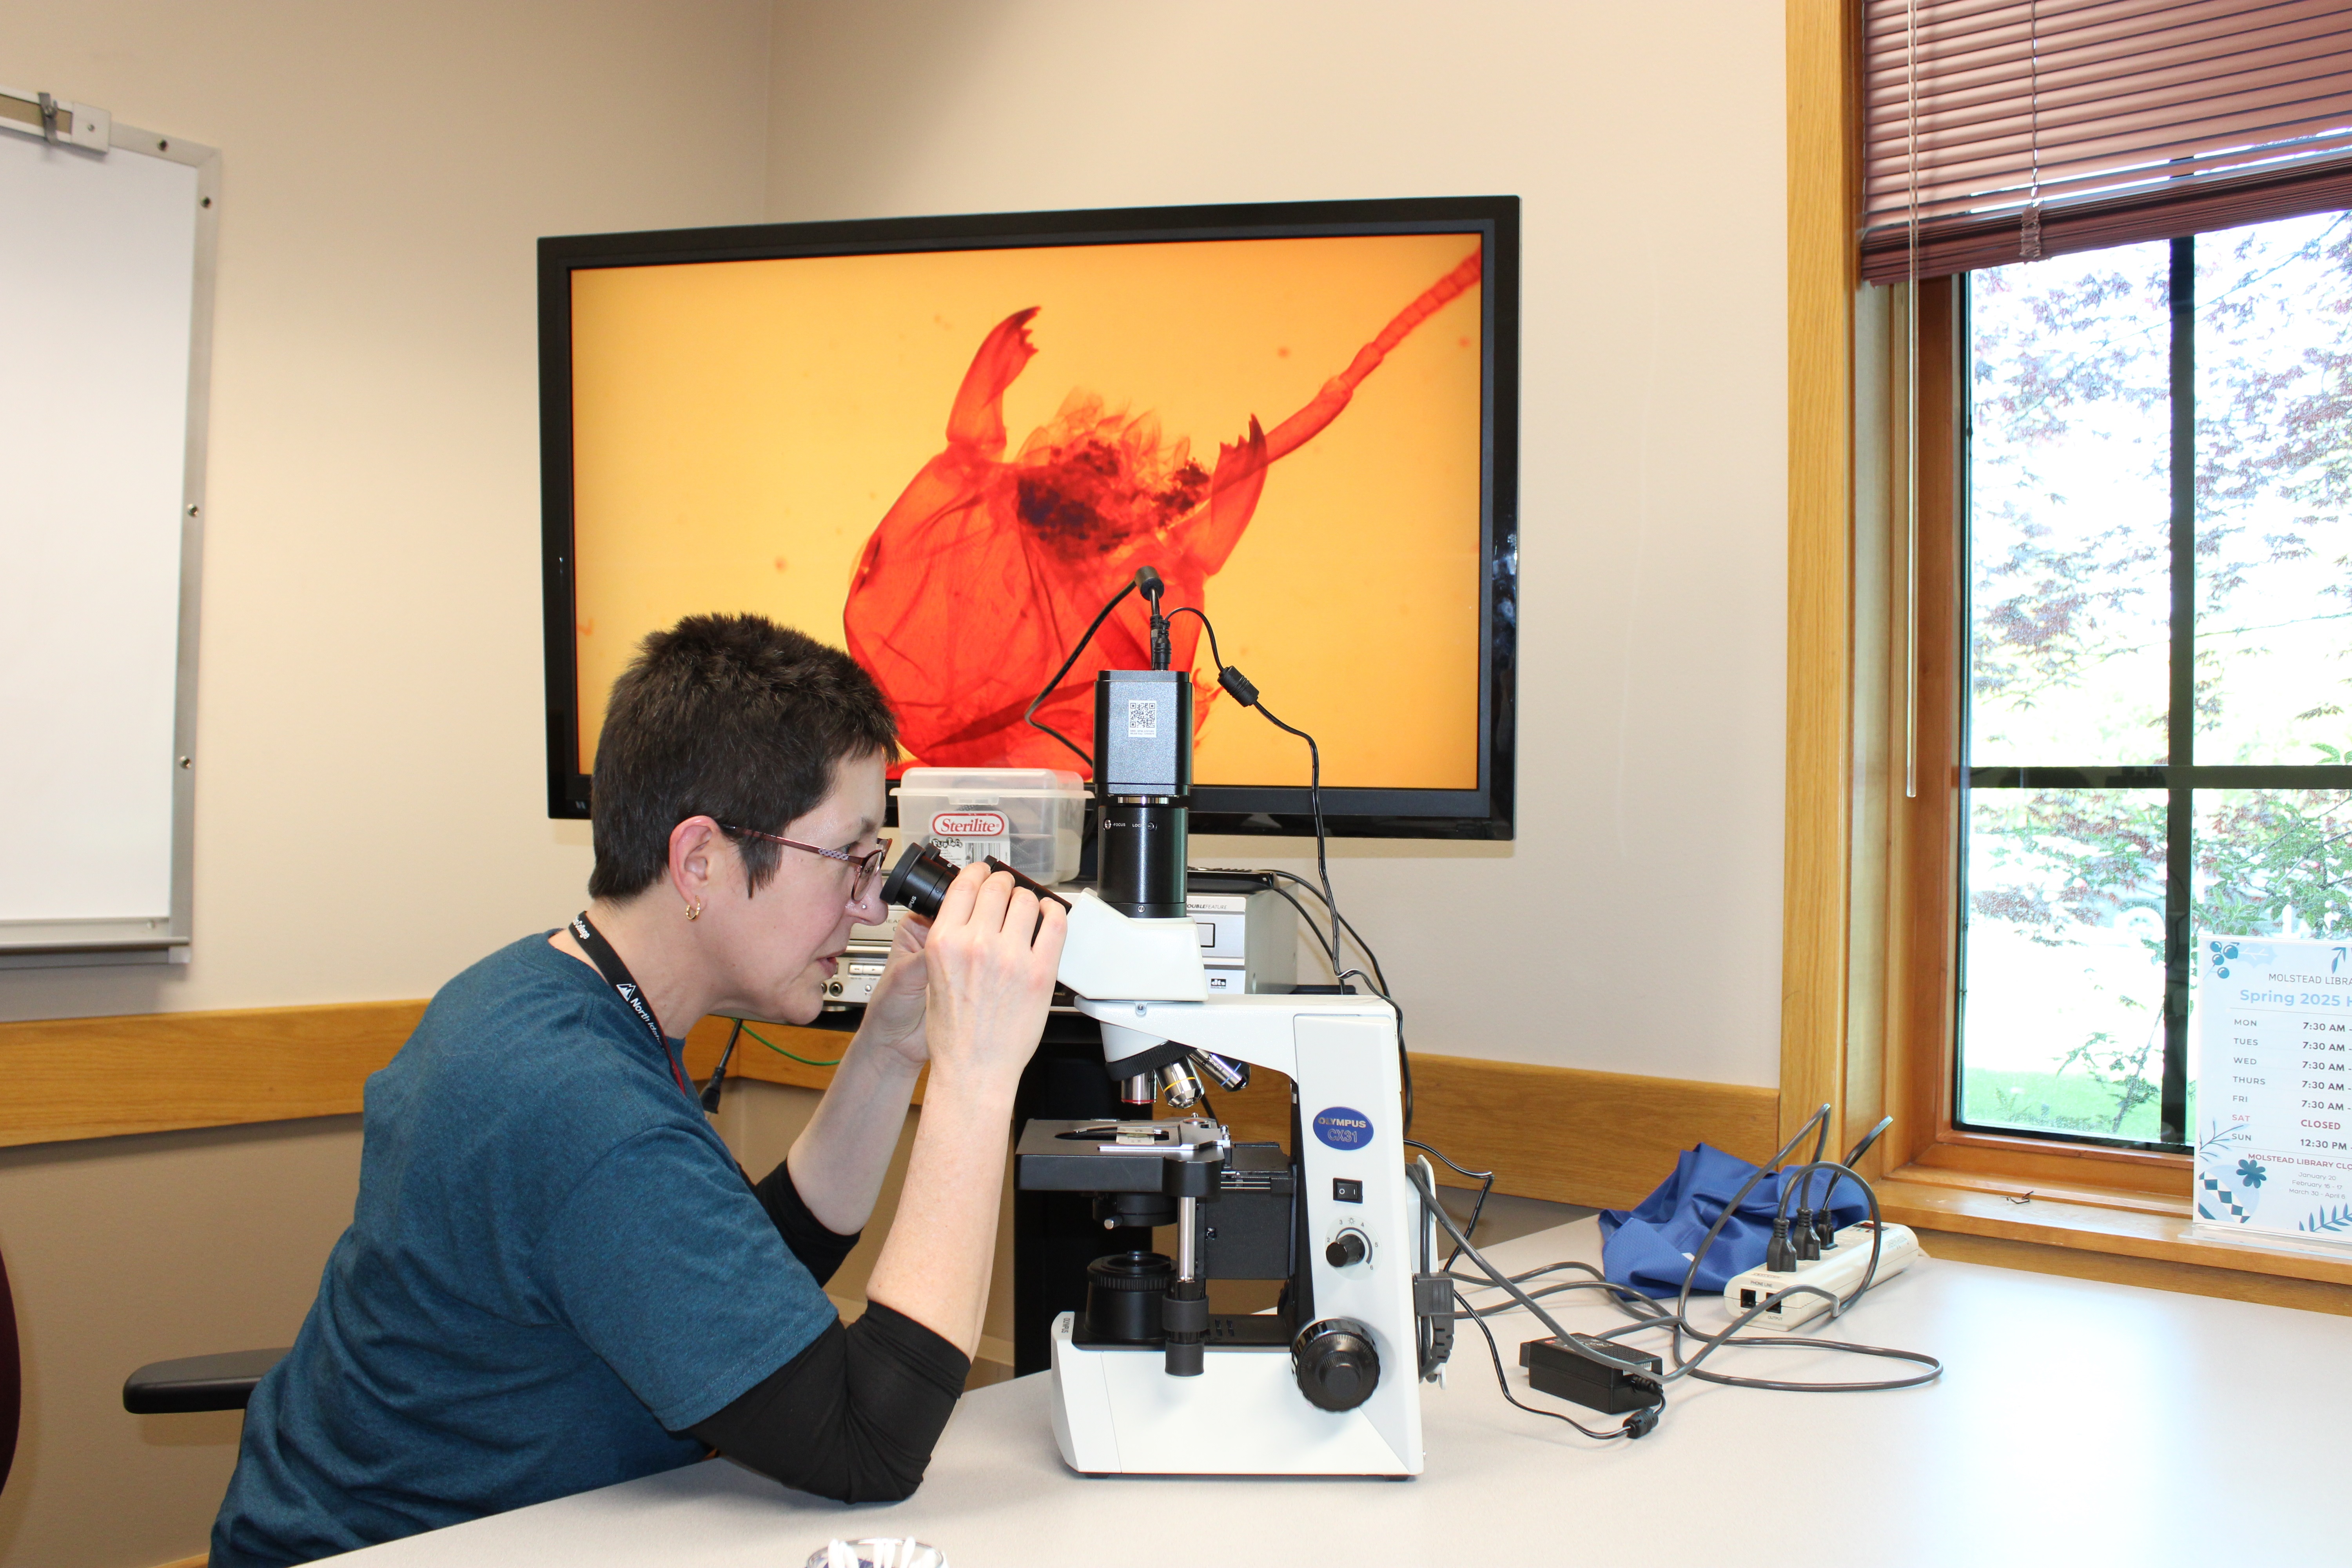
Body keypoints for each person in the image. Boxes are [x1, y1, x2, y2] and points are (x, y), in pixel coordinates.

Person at [211, 614, 1066, 1567]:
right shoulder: (578, 1100)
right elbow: (866, 1442)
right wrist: (979, 1075)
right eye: (850, 859)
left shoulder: (539, 991)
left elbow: (725, 1281)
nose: (871, 905)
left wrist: (890, 1052)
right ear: (700, 859)